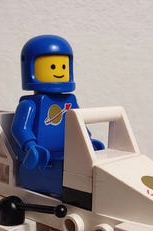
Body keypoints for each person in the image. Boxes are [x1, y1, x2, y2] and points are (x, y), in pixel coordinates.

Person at [11, 35, 103, 196]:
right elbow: (20, 128)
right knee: (73, 176)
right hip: (41, 161)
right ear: (32, 69)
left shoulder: (70, 101)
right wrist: (31, 147)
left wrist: (87, 139)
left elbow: (78, 123)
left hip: (66, 155)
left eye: (63, 66)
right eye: (53, 67)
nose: (59, 72)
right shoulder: (30, 104)